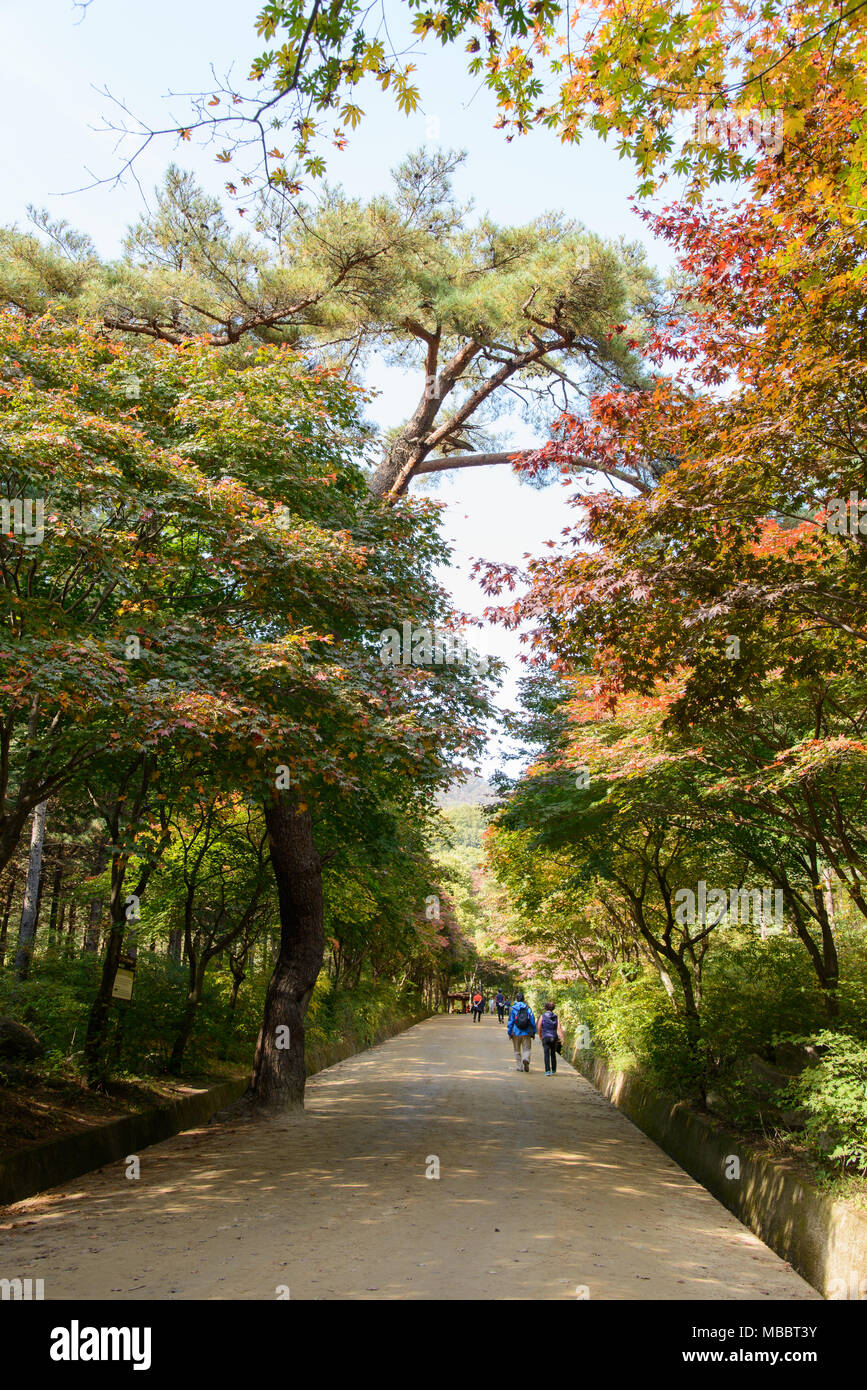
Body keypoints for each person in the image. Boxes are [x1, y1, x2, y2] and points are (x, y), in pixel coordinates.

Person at [507, 991, 536, 1071]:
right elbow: (532, 1020)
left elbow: (511, 1021)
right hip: (526, 1032)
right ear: (523, 999)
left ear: (516, 999)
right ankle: (526, 1059)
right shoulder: (527, 1008)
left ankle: (519, 1066)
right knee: (526, 1048)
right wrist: (533, 1031)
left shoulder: (513, 1008)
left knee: (517, 1050)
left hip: (515, 1032)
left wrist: (509, 1032)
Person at [537, 1001, 565, 1076]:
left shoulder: (542, 1016)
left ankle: (547, 1071)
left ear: (545, 1007)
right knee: (553, 1053)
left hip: (545, 1036)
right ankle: (553, 1070)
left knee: (546, 1054)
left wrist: (540, 1035)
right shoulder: (556, 1017)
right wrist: (562, 1038)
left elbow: (539, 1027)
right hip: (554, 1037)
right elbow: (559, 1028)